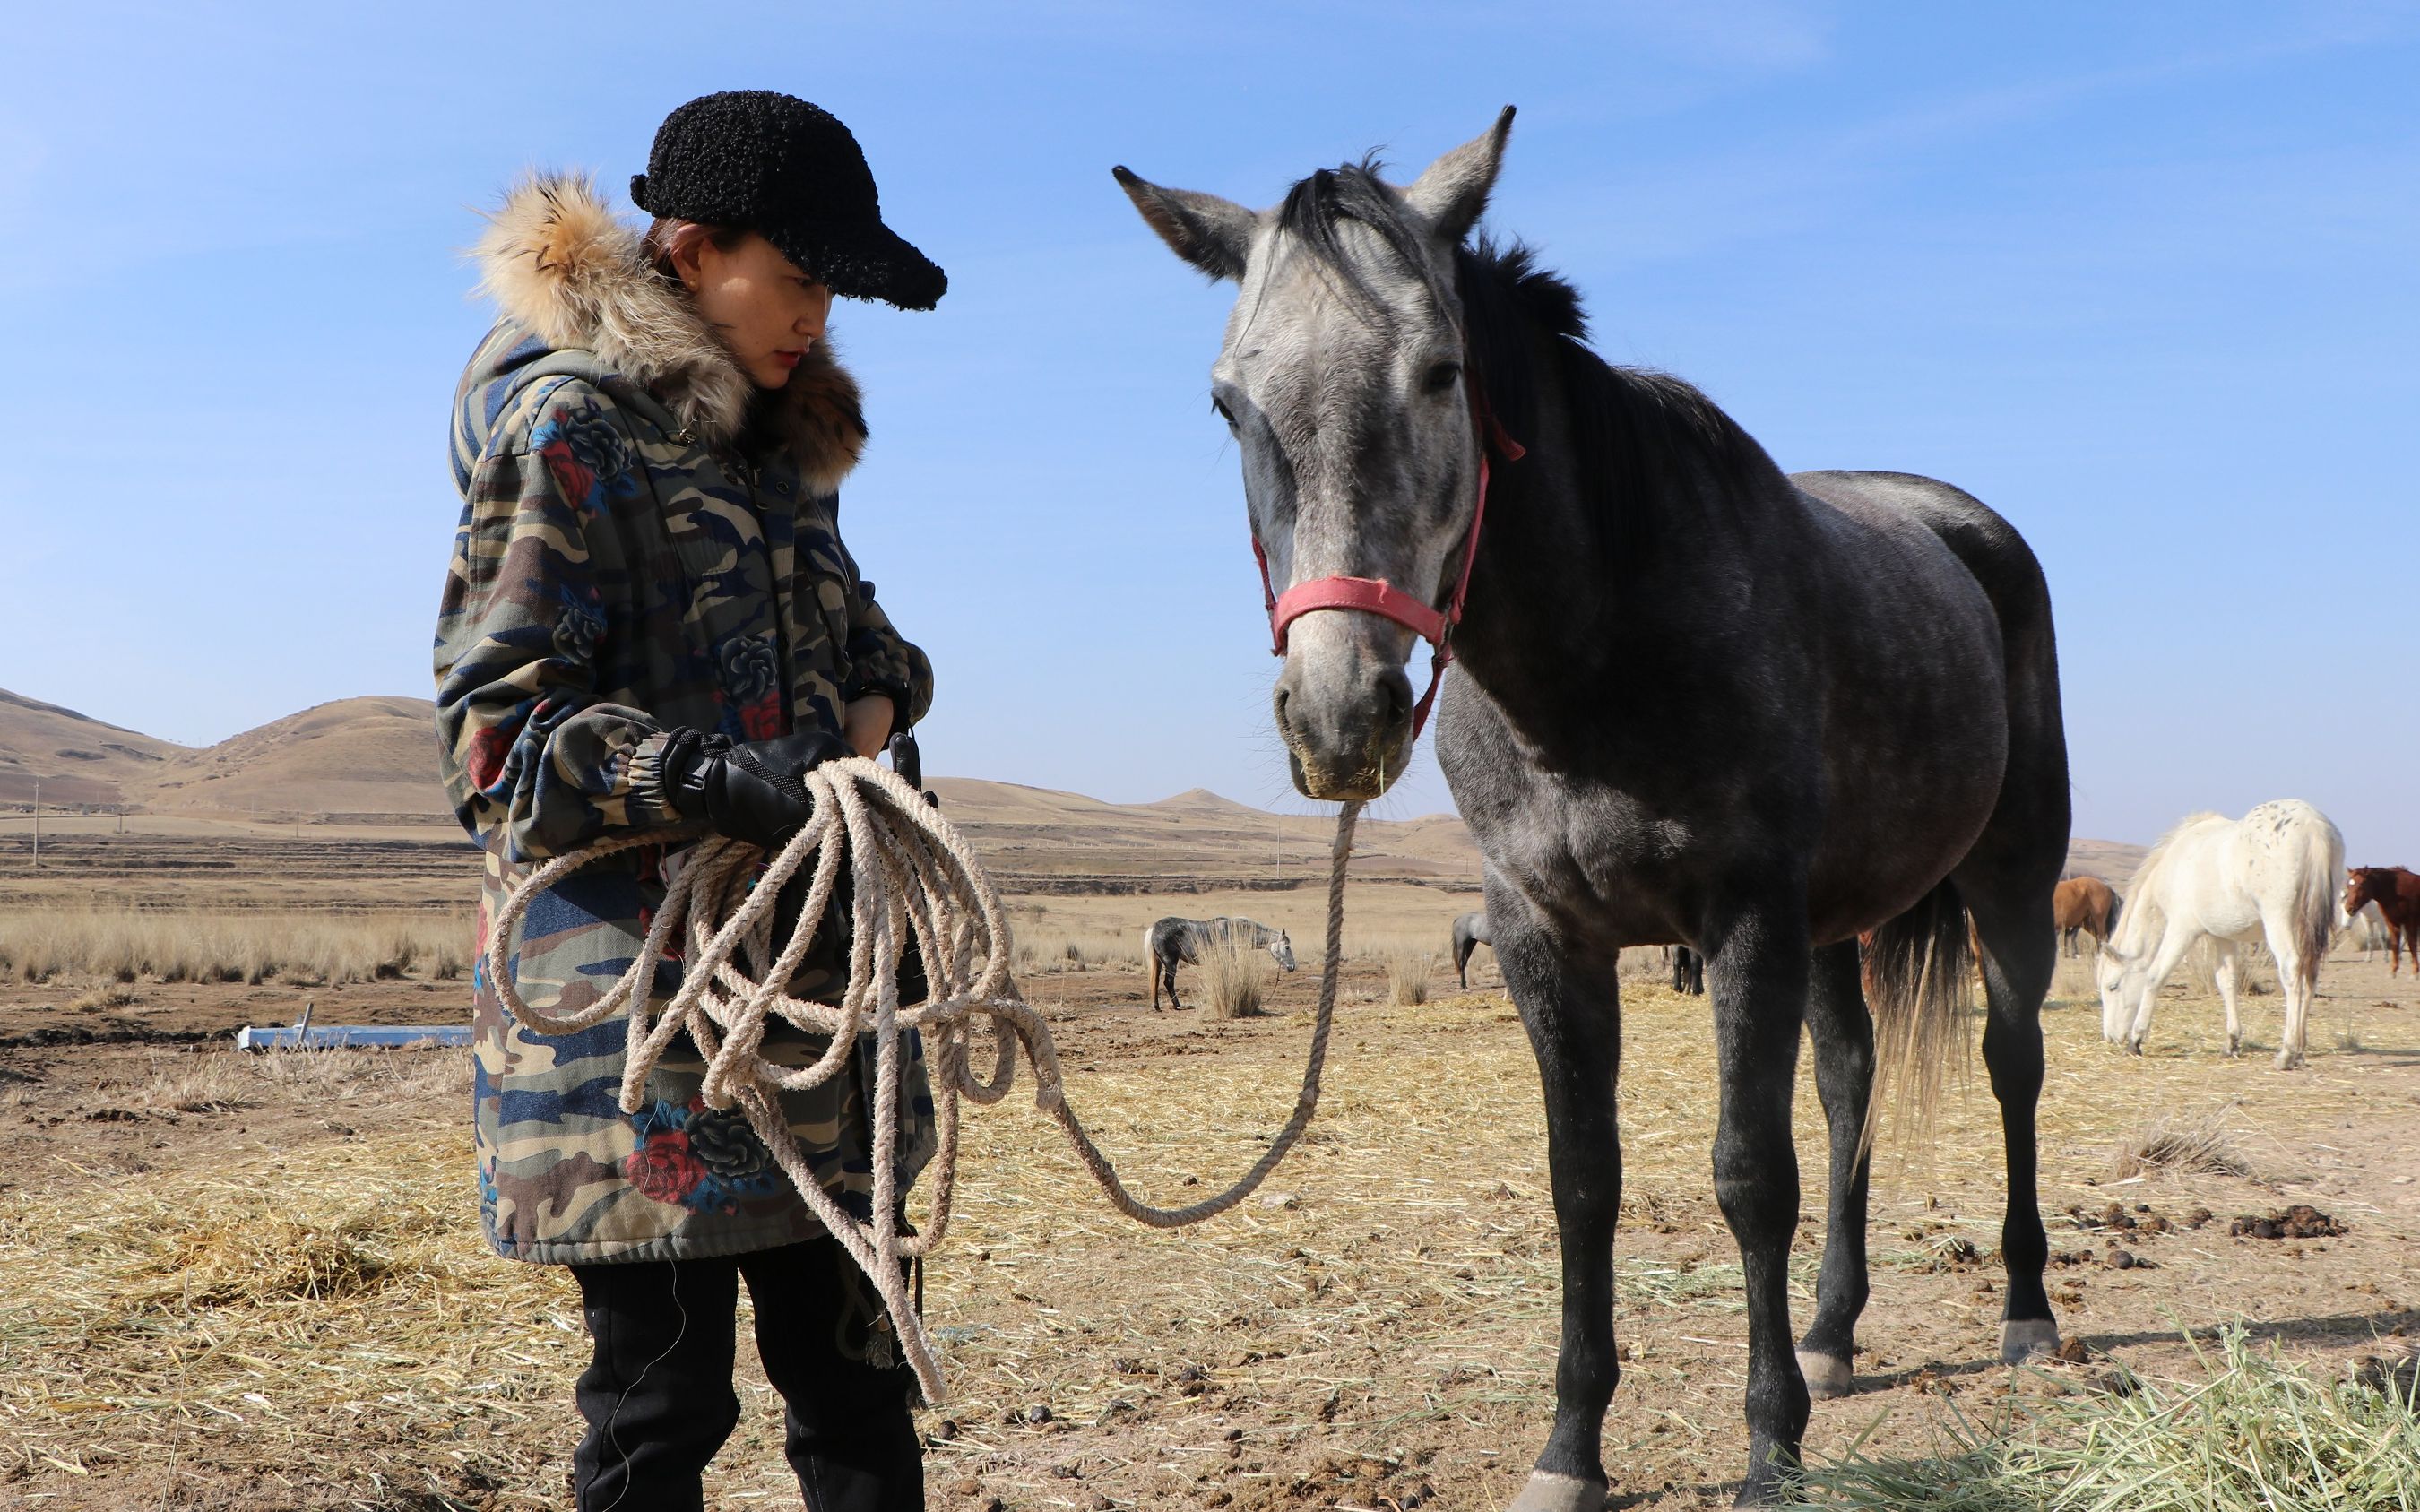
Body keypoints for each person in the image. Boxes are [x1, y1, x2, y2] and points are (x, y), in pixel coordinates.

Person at [433, 91, 946, 1512]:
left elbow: (866, 633)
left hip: (816, 1014)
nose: (816, 317)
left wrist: (874, 704)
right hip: (641, 1039)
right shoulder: (568, 435)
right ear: (695, 245)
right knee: (661, 1412)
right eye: (798, 280)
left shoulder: (786, 447)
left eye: (832, 289)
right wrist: (711, 778)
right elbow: (496, 743)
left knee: (859, 1394)